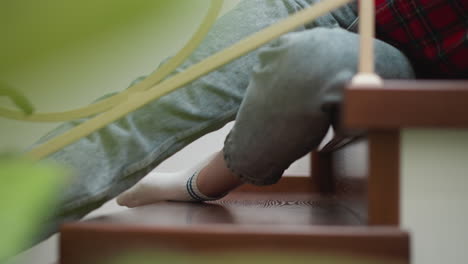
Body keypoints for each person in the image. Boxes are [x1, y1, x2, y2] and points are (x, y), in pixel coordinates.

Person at [39, 0, 415, 236]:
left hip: (414, 60)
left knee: (312, 59)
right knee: (147, 105)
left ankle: (199, 182)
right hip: (339, 5)